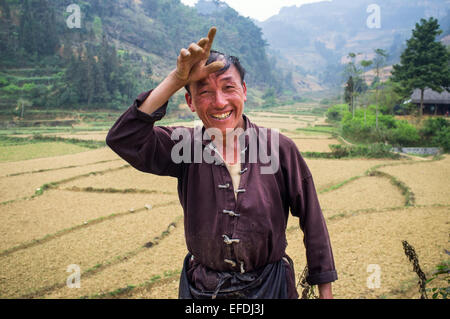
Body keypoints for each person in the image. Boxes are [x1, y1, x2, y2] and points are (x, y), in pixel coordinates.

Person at [106, 27, 337, 299]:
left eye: (229, 88)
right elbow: (124, 138)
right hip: (202, 291)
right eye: (205, 92)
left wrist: (325, 291)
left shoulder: (279, 149)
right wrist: (176, 78)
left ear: (244, 91)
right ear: (190, 101)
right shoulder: (184, 146)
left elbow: (312, 220)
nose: (219, 102)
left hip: (270, 288)